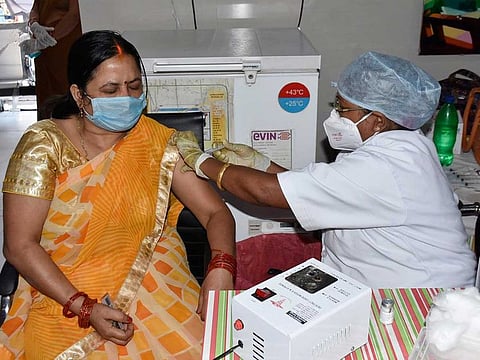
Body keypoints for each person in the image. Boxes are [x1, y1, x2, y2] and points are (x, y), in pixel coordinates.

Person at [0, 30, 235, 359]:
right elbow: (19, 245)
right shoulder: (44, 146)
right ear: (79, 96)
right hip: (64, 293)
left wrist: (221, 268)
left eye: (134, 86)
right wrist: (85, 309)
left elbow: (215, 213)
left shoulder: (155, 141)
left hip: (156, 280)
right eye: (110, 90)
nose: (126, 97)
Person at [175, 51, 478, 289]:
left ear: (378, 120)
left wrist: (202, 162)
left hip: (420, 298)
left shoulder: (384, 168)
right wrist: (261, 163)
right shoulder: (404, 145)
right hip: (395, 280)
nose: (335, 116)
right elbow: (319, 193)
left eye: (344, 110)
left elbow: (265, 193)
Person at [21, 0, 82, 120]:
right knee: (45, 97)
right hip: (44, 51)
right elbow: (36, 7)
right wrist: (34, 23)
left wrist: (50, 38)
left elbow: (74, 15)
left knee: (66, 95)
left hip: (65, 46)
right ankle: (46, 134)